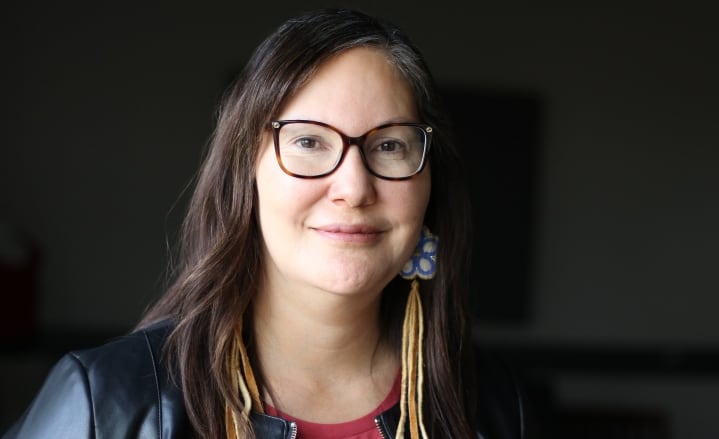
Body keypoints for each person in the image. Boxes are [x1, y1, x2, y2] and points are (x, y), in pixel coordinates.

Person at [5, 8, 526, 439]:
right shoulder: (106, 402)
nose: (353, 187)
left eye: (389, 145)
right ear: (245, 173)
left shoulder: (496, 405)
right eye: (308, 141)